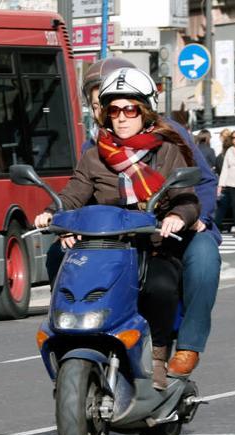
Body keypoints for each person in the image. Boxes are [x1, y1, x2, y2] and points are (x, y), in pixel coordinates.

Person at [37, 67, 200, 390]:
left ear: (145, 112)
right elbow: (74, 193)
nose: (122, 117)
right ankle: (71, 344)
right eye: (114, 110)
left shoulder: (165, 151)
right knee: (61, 261)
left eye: (130, 109)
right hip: (104, 250)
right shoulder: (95, 156)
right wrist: (50, 212)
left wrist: (177, 216)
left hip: (150, 247)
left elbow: (187, 198)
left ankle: (156, 354)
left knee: (160, 287)